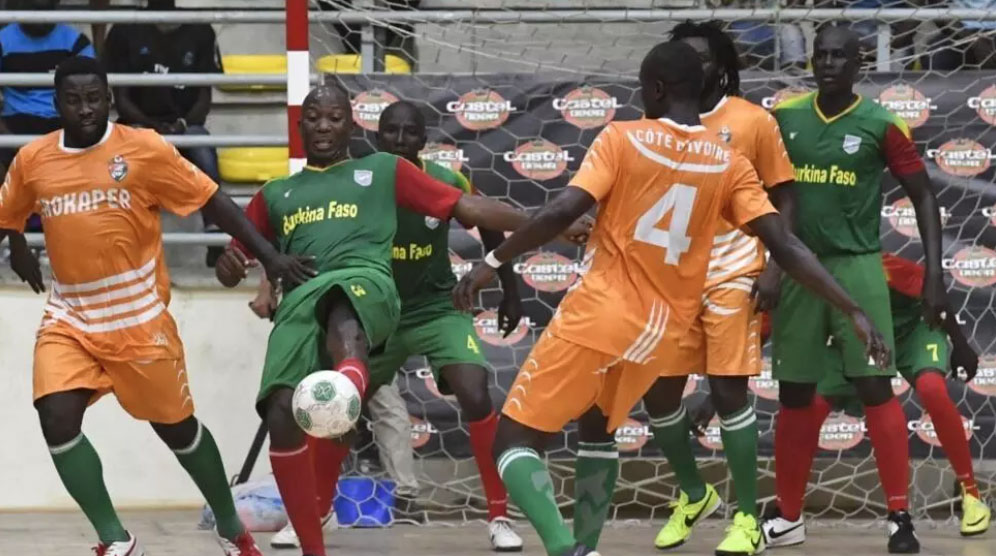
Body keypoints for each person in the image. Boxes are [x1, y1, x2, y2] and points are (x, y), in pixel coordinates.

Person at [453, 40, 889, 556]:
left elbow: (559, 210)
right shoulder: (727, 163)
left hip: (600, 313)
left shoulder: (622, 138)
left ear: (656, 89)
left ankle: (564, 548)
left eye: (643, 87)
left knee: (514, 442)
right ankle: (588, 546)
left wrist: (492, 262)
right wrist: (852, 307)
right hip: (659, 333)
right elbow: (786, 246)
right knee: (596, 428)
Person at [213, 84, 589, 556]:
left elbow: (472, 210)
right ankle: (313, 525)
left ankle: (498, 515)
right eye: (314, 118)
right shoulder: (276, 193)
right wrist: (231, 266)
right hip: (310, 308)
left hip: (392, 298)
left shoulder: (385, 171)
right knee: (290, 414)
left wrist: (545, 221)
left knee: (467, 384)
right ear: (300, 124)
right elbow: (240, 256)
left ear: (352, 126)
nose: (324, 127)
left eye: (334, 118)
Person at [0, 57, 314, 556]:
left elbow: (212, 200)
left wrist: (270, 256)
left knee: (178, 429)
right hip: (70, 316)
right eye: (73, 99)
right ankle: (115, 539)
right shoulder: (33, 159)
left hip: (139, 319)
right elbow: (12, 207)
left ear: (108, 99)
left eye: (94, 98)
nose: (85, 108)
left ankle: (231, 527)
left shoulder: (142, 149)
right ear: (56, 104)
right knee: (55, 416)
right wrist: (17, 244)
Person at [252, 100, 527, 551]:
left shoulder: (442, 181)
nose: (400, 141)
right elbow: (290, 234)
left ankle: (499, 516)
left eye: (411, 133)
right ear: (376, 137)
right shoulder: (361, 183)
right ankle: (317, 512)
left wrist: (510, 289)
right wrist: (269, 285)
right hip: (375, 313)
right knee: (340, 407)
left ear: (425, 138)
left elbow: (486, 225)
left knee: (475, 389)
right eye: (391, 132)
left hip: (435, 306)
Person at [573, 20, 797, 555]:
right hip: (671, 276)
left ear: (719, 65)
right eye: (682, 57)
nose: (691, 66)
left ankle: (746, 520)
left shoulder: (752, 120)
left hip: (733, 268)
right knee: (660, 393)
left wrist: (774, 268)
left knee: (727, 392)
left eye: (700, 57)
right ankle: (694, 493)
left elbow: (786, 197)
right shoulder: (652, 123)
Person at [762, 26, 946, 554]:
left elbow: (925, 197)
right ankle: (790, 517)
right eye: (820, 54)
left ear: (859, 64)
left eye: (838, 56)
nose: (826, 63)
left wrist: (934, 275)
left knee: (874, 386)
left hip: (859, 266)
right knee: (795, 391)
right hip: (799, 269)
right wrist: (770, 266)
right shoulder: (785, 117)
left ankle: (898, 516)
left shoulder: (881, 124)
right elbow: (770, 199)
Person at [0, 0, 95, 176]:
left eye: (45, 9)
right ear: (21, 6)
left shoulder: (76, 42)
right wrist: (12, 139)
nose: (40, 17)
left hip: (62, 120)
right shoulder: (2, 41)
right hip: (15, 121)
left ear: (55, 6)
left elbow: (88, 100)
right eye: (34, 8)